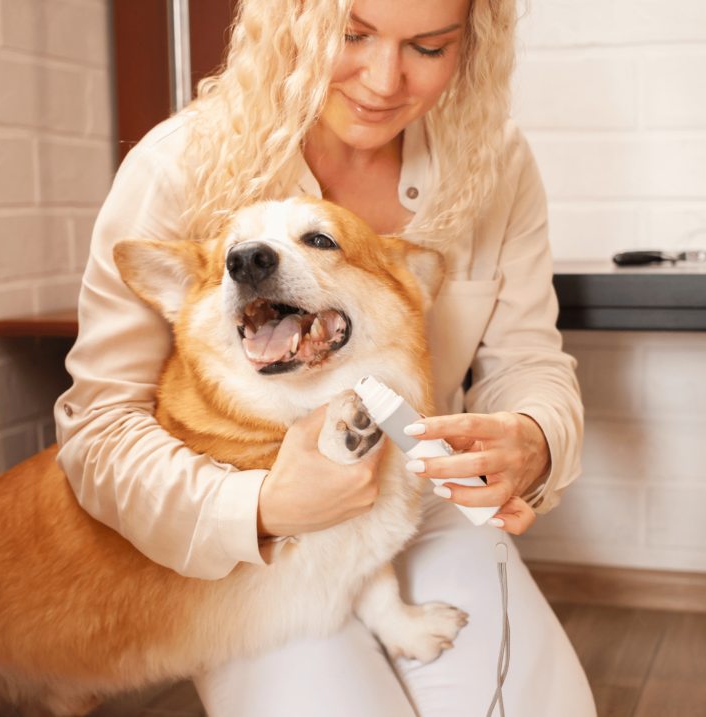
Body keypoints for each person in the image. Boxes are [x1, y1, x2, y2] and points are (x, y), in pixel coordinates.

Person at [54, 0, 596, 714]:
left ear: (473, 43)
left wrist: (535, 437)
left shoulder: (493, 159)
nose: (382, 80)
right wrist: (260, 506)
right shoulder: (173, 167)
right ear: (292, 18)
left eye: (428, 47)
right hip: (250, 535)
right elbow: (99, 433)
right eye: (352, 35)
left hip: (417, 499)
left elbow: (529, 359)